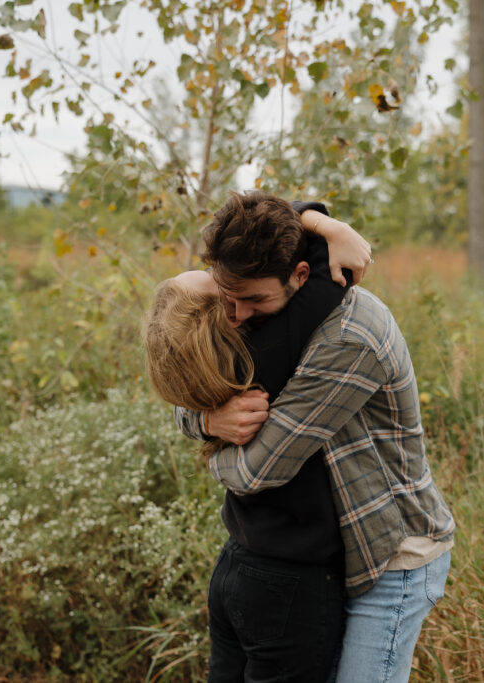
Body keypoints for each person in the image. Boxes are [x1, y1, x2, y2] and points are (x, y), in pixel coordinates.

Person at [177, 192, 456, 683]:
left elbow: (256, 470)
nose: (237, 316)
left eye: (254, 300)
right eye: (228, 296)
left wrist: (208, 457)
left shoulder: (348, 337)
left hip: (390, 554)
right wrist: (207, 421)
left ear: (301, 276)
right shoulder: (260, 305)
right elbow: (188, 393)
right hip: (328, 556)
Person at [143, 197, 372, 682]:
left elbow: (263, 234)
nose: (234, 297)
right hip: (293, 577)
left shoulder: (213, 372)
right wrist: (331, 227)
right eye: (218, 288)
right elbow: (330, 273)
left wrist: (316, 218)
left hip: (235, 565)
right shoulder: (271, 346)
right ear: (222, 314)